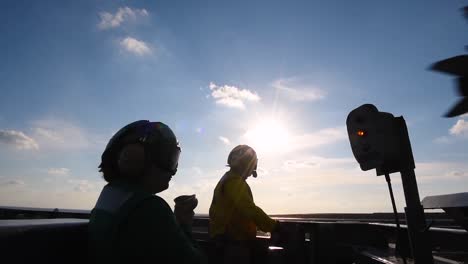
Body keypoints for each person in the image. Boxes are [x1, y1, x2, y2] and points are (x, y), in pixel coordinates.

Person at [88, 120, 204, 263]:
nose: (173, 171)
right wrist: (185, 225)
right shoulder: (150, 207)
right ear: (134, 157)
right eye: (169, 159)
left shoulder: (108, 198)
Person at [209, 145, 279, 263]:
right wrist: (274, 226)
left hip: (226, 241)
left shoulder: (228, 179)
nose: (251, 173)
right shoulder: (234, 182)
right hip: (233, 244)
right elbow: (249, 209)